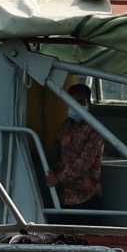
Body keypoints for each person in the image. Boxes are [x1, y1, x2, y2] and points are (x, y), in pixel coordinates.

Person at [47, 82, 107, 214]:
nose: (74, 106)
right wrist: (52, 171)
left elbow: (83, 164)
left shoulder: (95, 130)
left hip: (86, 197)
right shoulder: (67, 126)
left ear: (88, 103)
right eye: (71, 102)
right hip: (65, 196)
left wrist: (58, 178)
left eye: (80, 102)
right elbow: (57, 152)